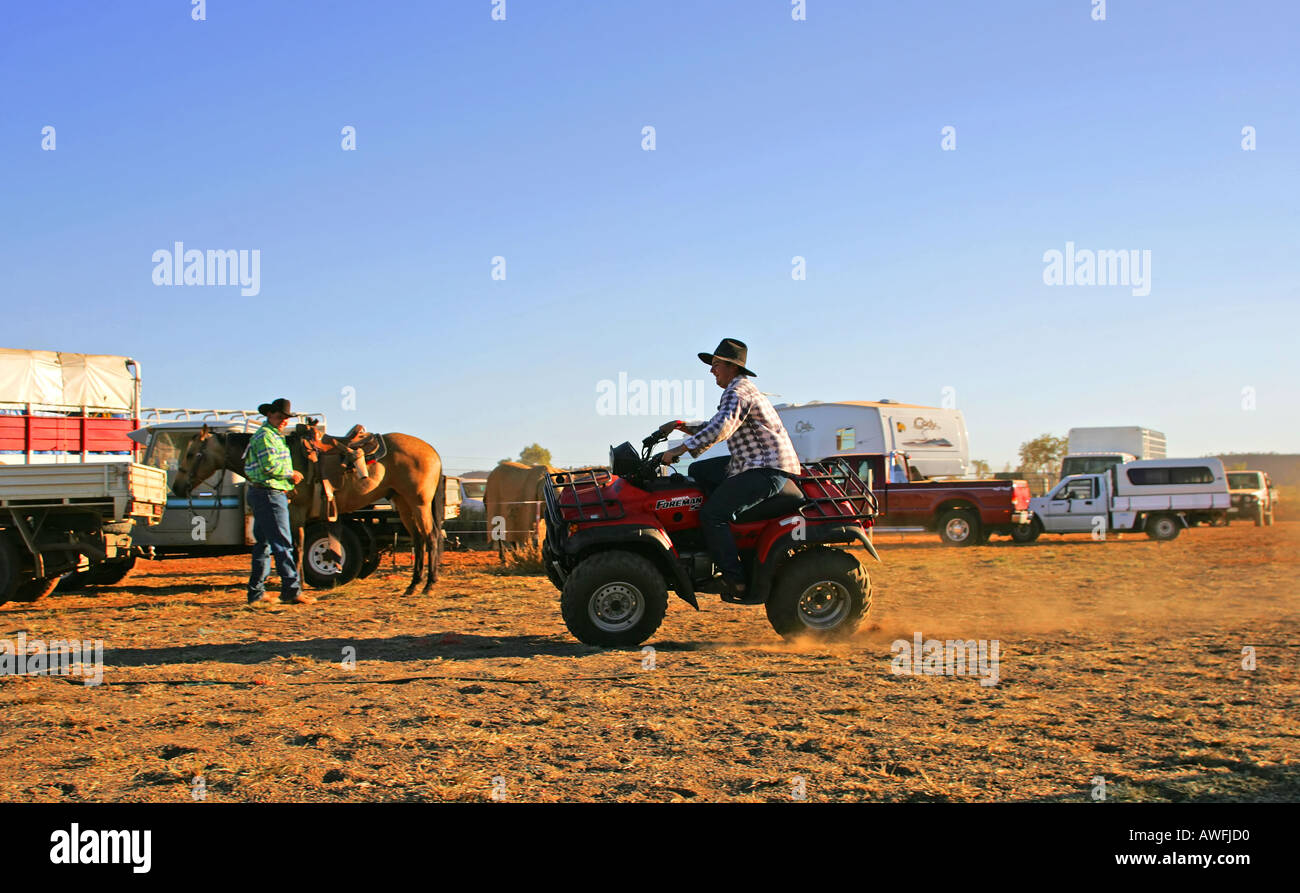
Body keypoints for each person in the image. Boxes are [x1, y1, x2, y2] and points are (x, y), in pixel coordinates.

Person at [659, 339, 800, 600]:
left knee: (713, 515)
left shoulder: (738, 392)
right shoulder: (738, 390)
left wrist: (679, 450)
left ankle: (734, 579)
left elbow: (722, 428)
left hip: (765, 469)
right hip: (750, 464)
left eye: (715, 365)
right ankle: (719, 537)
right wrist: (681, 425)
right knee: (700, 471)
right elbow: (714, 423)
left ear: (731, 367)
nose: (711, 371)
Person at [244, 398, 312, 605]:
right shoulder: (266, 437)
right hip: (270, 493)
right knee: (282, 542)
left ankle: (256, 592)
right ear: (269, 415)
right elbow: (270, 467)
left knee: (263, 544)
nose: (283, 421)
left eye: (285, 418)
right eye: (280, 417)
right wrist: (292, 475)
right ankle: (291, 590)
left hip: (265, 493)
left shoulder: (273, 436)